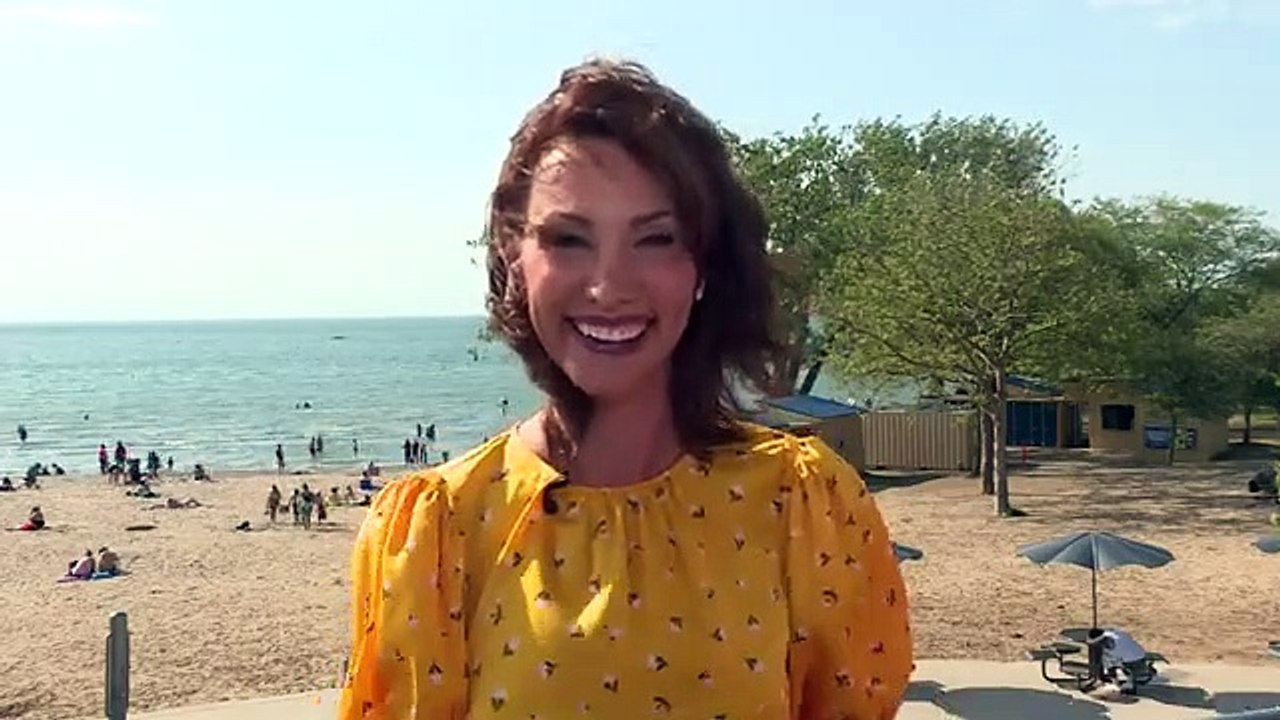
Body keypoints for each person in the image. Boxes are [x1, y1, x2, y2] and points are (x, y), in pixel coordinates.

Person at [337, 59, 912, 720]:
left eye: (655, 239)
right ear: (513, 253)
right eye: (569, 240)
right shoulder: (439, 532)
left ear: (703, 264)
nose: (609, 287)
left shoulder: (802, 506)